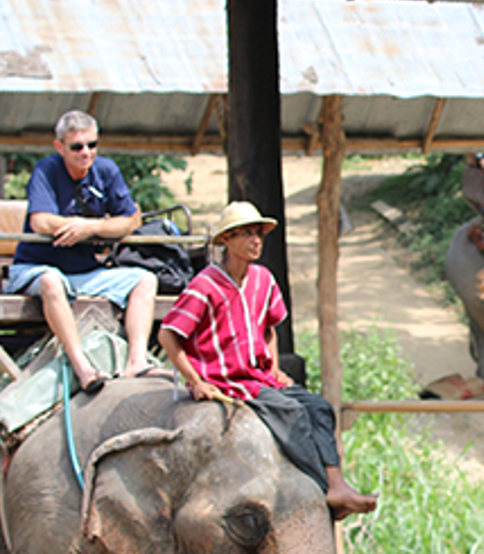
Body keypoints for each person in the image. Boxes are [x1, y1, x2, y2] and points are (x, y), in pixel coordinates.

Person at [158, 203, 378, 519]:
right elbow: (169, 335)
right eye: (247, 234)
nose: (256, 241)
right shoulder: (206, 284)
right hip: (229, 380)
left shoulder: (263, 279)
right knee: (292, 413)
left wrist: (274, 367)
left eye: (258, 234)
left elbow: (269, 327)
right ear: (228, 240)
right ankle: (322, 487)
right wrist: (196, 380)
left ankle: (336, 483)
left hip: (260, 376)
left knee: (318, 407)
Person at [8, 110, 157, 389]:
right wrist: (71, 225)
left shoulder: (107, 171)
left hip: (85, 271)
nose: (86, 153)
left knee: (146, 280)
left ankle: (137, 362)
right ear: (60, 147)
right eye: (77, 147)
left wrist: (89, 227)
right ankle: (83, 367)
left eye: (92, 145)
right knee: (52, 281)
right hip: (37, 268)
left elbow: (130, 219)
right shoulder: (46, 170)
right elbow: (40, 221)